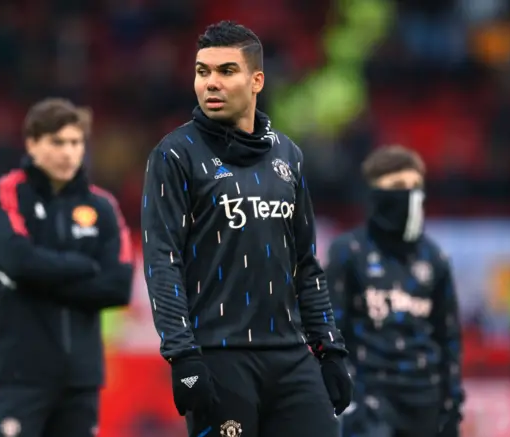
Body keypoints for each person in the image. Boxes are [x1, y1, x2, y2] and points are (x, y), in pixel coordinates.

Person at [141, 21, 353, 437]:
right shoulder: (175, 155)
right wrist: (182, 356)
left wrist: (330, 350)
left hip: (292, 356)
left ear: (256, 80)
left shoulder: (288, 155)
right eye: (203, 72)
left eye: (226, 71)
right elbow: (161, 261)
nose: (211, 84)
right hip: (219, 357)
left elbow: (305, 265)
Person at [0, 98, 134, 437]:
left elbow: (118, 285)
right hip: (20, 378)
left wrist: (40, 277)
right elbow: (16, 261)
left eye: (76, 142)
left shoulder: (102, 206)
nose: (68, 152)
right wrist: (82, 266)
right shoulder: (8, 192)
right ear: (32, 144)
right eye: (57, 142)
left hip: (80, 381)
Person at [325, 145, 464, 437]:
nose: (410, 196)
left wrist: (452, 401)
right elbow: (330, 330)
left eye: (416, 187)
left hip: (426, 400)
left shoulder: (435, 258)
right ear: (374, 192)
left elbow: (448, 336)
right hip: (369, 398)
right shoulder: (348, 252)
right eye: (398, 187)